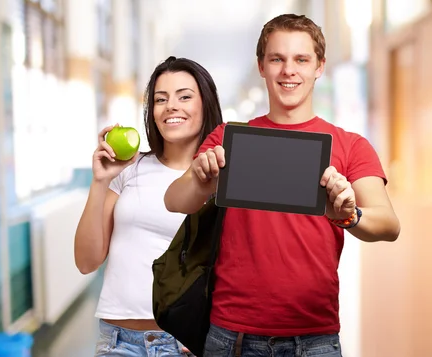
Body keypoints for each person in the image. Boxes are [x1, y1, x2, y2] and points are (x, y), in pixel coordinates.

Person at [165, 14, 401, 357]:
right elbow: (175, 200)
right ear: (261, 66)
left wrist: (348, 215)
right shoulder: (229, 139)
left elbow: (389, 225)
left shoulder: (350, 145)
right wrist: (202, 177)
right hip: (231, 336)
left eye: (301, 59)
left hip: (314, 338)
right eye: (277, 59)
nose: (288, 70)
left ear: (319, 66)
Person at [74, 56, 224, 357]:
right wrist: (100, 181)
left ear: (205, 105)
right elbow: (86, 261)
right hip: (117, 341)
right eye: (160, 99)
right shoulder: (129, 168)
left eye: (184, 97)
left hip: (184, 344)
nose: (171, 106)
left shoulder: (218, 178)